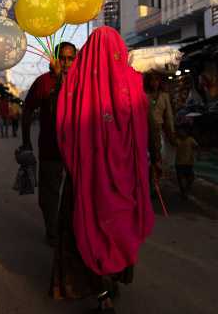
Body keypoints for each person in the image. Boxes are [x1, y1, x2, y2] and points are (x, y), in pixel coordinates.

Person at [49, 26, 164, 314]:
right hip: (127, 175)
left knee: (88, 225)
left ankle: (103, 296)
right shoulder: (134, 82)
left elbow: (58, 122)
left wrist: (60, 84)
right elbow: (150, 122)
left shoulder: (75, 84)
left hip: (87, 175)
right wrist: (157, 155)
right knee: (120, 225)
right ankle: (113, 279)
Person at [22, 41, 77, 247]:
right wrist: (26, 140)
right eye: (62, 57)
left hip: (76, 150)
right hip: (50, 147)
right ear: (54, 58)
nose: (65, 62)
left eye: (70, 58)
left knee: (77, 192)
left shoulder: (81, 81)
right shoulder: (43, 81)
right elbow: (28, 110)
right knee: (49, 193)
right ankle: (53, 233)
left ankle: (73, 230)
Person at [175, 123, 202, 198]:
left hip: (188, 163)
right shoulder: (178, 140)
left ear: (185, 132)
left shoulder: (191, 140)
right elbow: (172, 142)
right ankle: (183, 191)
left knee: (191, 177)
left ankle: (187, 188)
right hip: (179, 163)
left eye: (179, 130)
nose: (178, 132)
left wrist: (199, 154)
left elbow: (197, 147)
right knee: (181, 178)